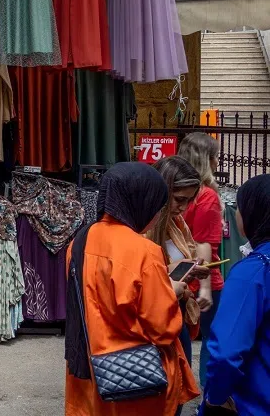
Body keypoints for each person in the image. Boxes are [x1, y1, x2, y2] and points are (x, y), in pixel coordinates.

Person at [65, 162, 199, 416]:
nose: (158, 215)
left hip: (90, 369)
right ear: (141, 201)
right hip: (135, 376)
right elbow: (162, 327)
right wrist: (172, 291)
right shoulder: (144, 251)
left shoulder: (80, 240)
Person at [200, 174, 270, 416]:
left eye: (239, 207)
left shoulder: (254, 271)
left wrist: (215, 397)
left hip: (255, 402)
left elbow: (226, 353)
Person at [146, 156, 212, 365]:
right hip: (152, 322)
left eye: (189, 201)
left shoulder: (177, 224)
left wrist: (191, 268)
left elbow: (188, 253)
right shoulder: (141, 228)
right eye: (179, 199)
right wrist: (167, 270)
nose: (183, 207)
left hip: (178, 313)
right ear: (161, 192)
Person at [179, 132, 224, 386]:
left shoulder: (180, 193)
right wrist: (206, 286)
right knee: (213, 341)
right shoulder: (206, 195)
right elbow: (204, 241)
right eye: (215, 156)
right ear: (206, 159)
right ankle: (210, 398)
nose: (218, 161)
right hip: (204, 278)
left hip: (180, 274)